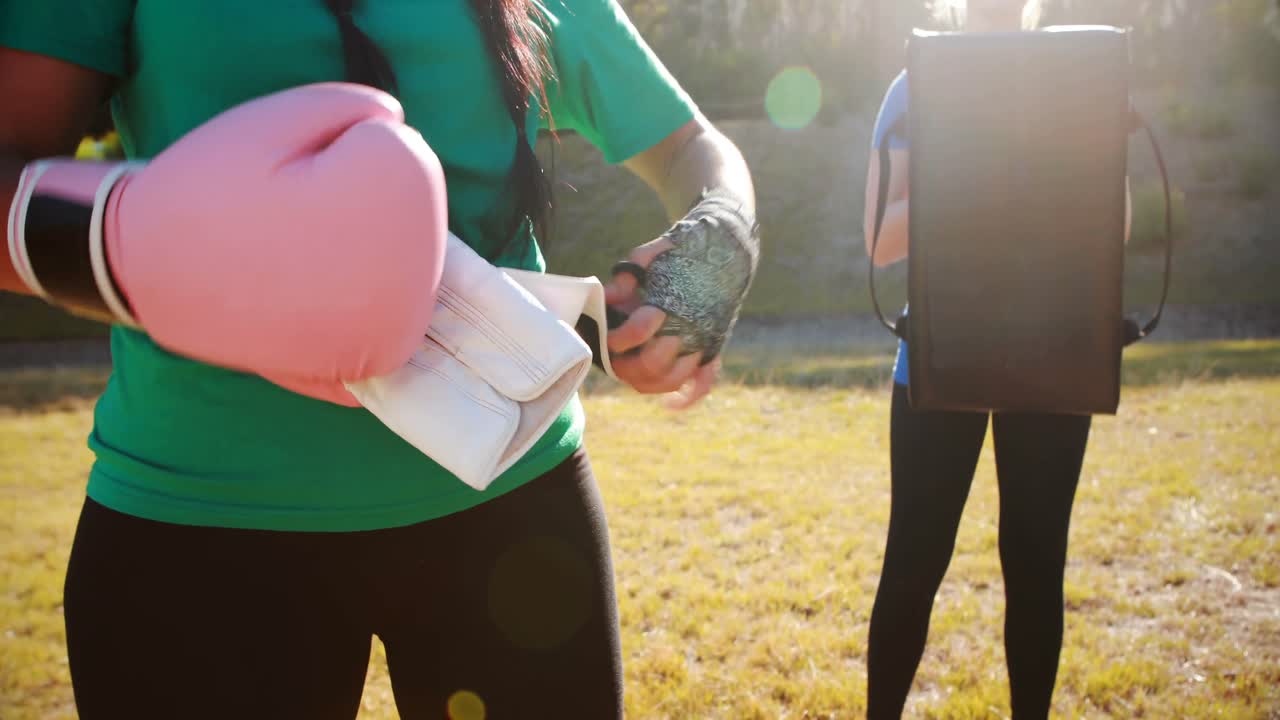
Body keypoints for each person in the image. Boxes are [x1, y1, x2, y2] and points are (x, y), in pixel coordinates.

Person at [0, 0, 757, 717]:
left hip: (513, 516)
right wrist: (132, 241)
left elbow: (692, 149)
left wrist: (719, 240)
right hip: (201, 536)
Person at [860, 1, 1124, 717]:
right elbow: (879, 244)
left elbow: (1117, 225)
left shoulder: (1081, 75)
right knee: (914, 562)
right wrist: (977, 175)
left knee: (1037, 568)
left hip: (1055, 357)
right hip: (942, 359)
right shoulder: (918, 79)